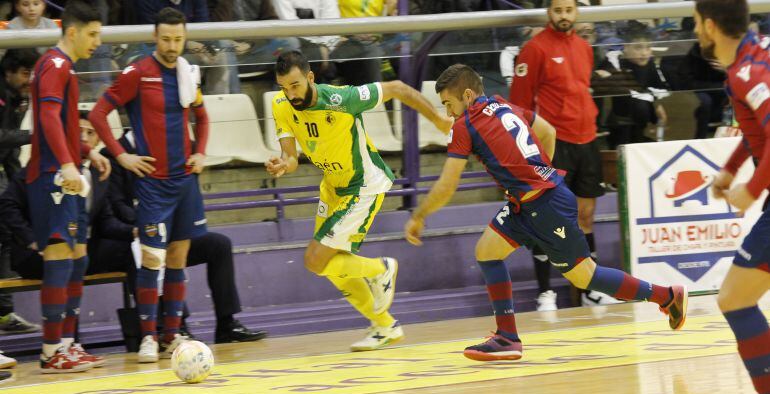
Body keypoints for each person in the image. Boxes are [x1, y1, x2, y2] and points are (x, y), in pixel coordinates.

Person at [405, 64, 687, 361]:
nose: (449, 112)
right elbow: (546, 130)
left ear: (466, 94)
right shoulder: (501, 104)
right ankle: (507, 338)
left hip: (546, 205)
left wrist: (419, 215)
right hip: (527, 202)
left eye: (449, 104)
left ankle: (667, 296)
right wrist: (540, 171)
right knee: (487, 253)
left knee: (584, 277)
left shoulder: (466, 125)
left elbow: (448, 184)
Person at [266, 50, 452, 351]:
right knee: (333, 268)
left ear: (310, 77)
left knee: (315, 260)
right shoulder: (281, 105)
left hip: (363, 184)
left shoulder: (341, 99)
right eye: (284, 87)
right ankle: (384, 325)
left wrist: (439, 120)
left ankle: (382, 269)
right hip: (333, 187)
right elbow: (292, 156)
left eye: (296, 85)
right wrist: (284, 164)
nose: (290, 94)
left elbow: (397, 88)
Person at [89, 7, 209, 364]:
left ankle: (171, 335)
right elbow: (97, 114)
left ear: (184, 38)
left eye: (178, 39)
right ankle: (147, 338)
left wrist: (200, 152)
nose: (173, 46)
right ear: (154, 38)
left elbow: (202, 118)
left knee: (178, 257)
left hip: (185, 182)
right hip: (153, 186)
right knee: (152, 259)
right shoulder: (137, 73)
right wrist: (120, 156)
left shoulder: (189, 73)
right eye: (166, 39)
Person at [103, 130, 267, 343]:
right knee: (149, 253)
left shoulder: (177, 146)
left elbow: (185, 191)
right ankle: (176, 326)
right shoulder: (114, 153)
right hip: (138, 233)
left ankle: (227, 323)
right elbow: (117, 205)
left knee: (219, 245)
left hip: (172, 228)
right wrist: (152, 220)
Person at [26, 0, 109, 373]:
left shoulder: (65, 69)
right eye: (92, 34)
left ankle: (68, 344)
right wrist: (66, 162)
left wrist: (88, 151)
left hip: (65, 172)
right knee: (59, 260)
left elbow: (63, 122)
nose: (96, 42)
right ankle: (49, 351)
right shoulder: (55, 65)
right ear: (72, 32)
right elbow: (46, 117)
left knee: (78, 259)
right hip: (51, 178)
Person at [695, 1, 770, 394]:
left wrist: (751, 190)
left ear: (709, 26)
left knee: (735, 301)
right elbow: (758, 128)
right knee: (736, 299)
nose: (695, 31)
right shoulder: (753, 54)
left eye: (694, 23)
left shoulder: (748, 71)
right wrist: (731, 168)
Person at [509, 0, 603, 310]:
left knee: (586, 217)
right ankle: (545, 292)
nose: (564, 16)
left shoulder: (584, 48)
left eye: (569, 10)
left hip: (587, 141)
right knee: (549, 219)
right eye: (558, 10)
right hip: (554, 144)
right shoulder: (535, 49)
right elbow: (518, 104)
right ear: (550, 12)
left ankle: (591, 288)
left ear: (576, 11)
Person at [0, 49, 40, 335]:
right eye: (26, 73)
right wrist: (34, 136)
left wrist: (20, 186)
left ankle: (4, 313)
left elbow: (9, 149)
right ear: (9, 72)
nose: (31, 79)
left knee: (6, 233)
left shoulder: (21, 96)